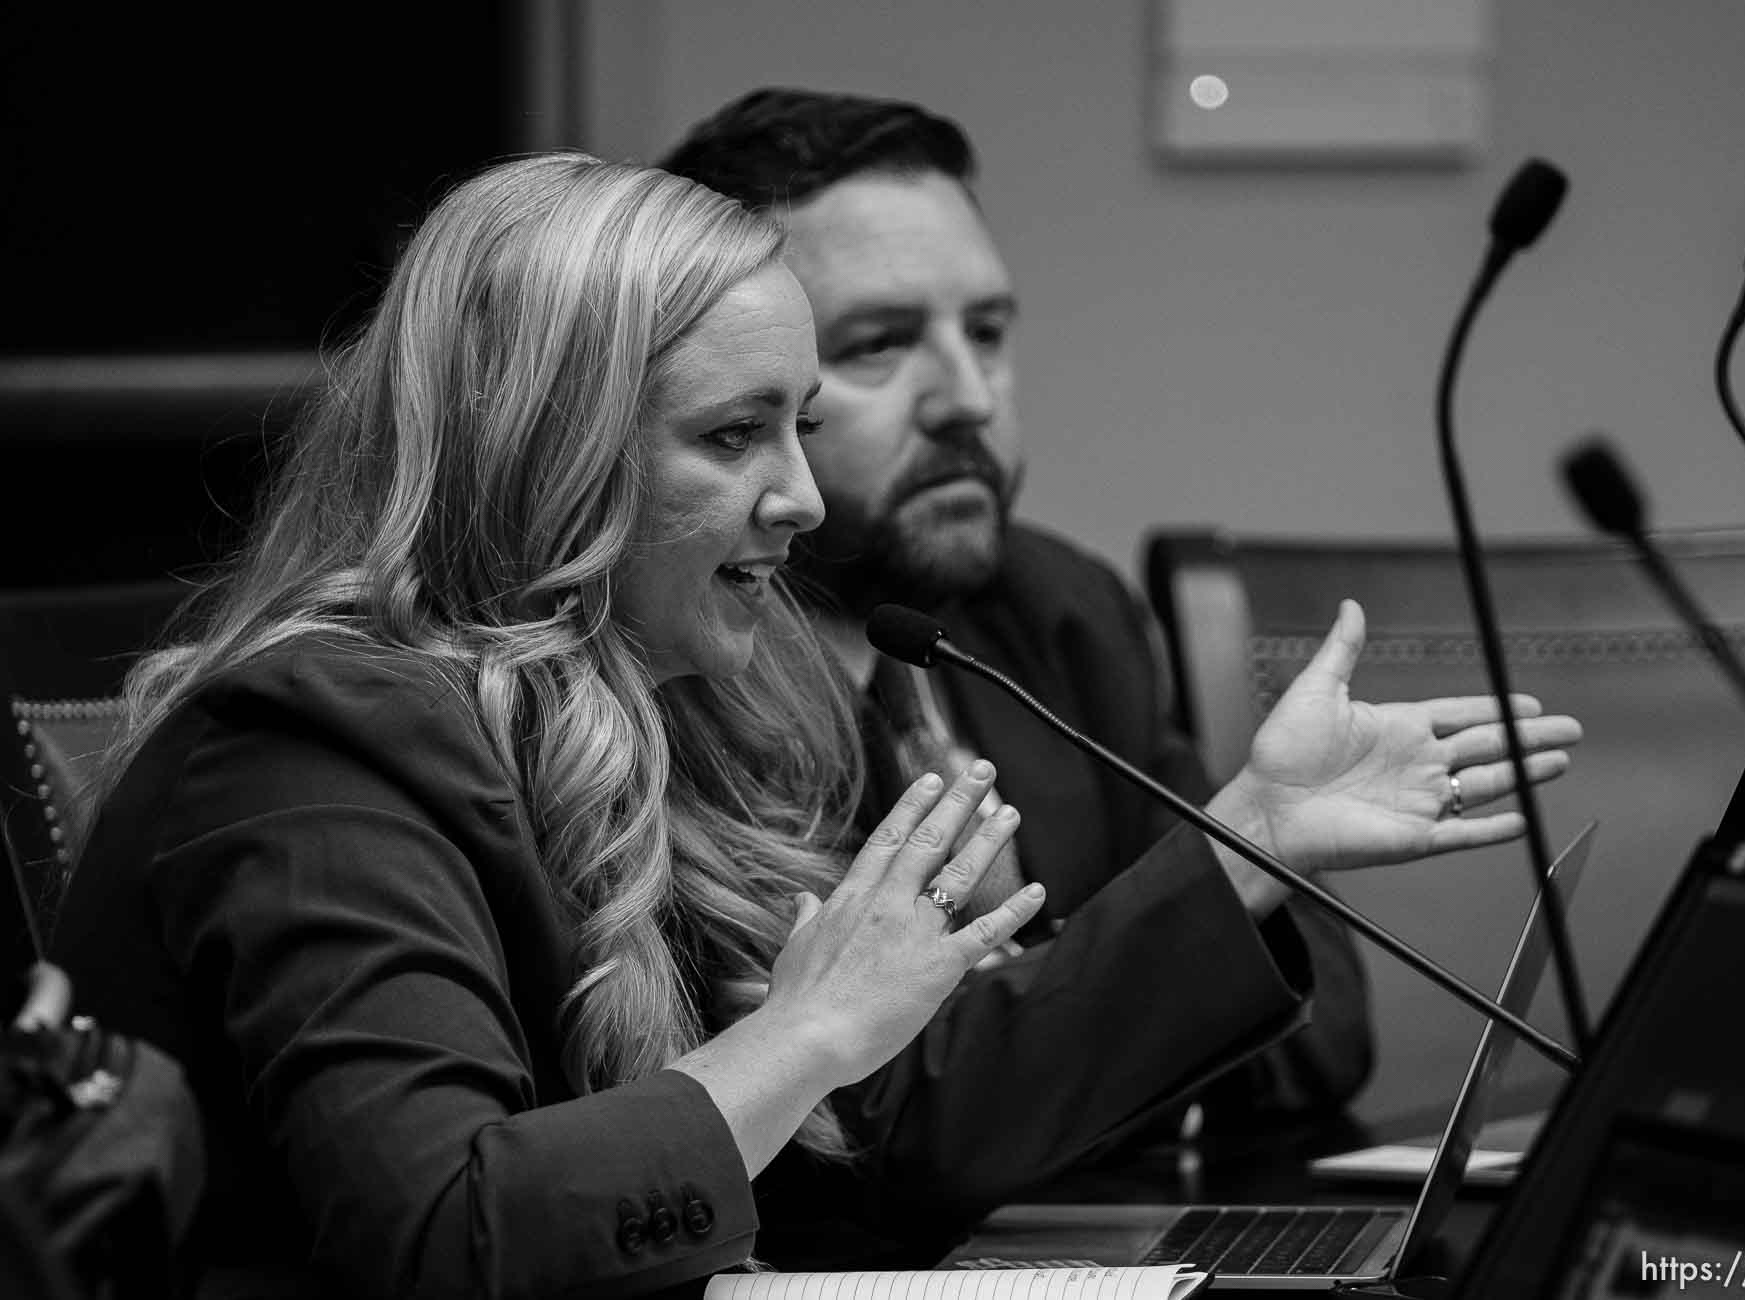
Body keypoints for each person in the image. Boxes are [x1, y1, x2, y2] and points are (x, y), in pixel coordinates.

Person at [51, 151, 1569, 1295]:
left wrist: (1249, 839)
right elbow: (447, 1232)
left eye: (796, 419)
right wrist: (807, 1028)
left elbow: (871, 1148)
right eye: (732, 435)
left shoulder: (662, 700)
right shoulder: (315, 744)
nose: (806, 497)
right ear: (544, 465)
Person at [660, 89, 1580, 1130]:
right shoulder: (682, 664)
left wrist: (1067, 1058)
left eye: (990, 330)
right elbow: (863, 1129)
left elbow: (1320, 1042)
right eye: (878, 343)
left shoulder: (1055, 610)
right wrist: (1125, 1030)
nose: (968, 395)